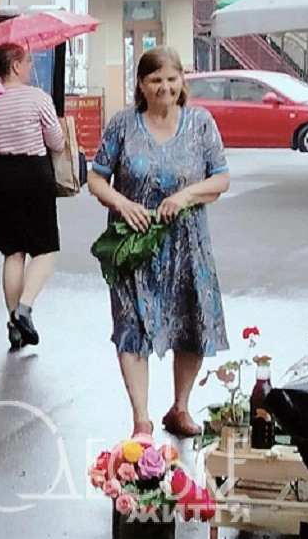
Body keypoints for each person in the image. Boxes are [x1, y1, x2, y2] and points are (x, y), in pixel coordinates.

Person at [87, 46, 230, 439]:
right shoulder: (123, 125)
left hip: (188, 244)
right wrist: (120, 201)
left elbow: (220, 178)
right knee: (132, 326)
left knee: (190, 322)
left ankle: (180, 408)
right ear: (141, 85)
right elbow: (96, 177)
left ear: (182, 81)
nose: (164, 87)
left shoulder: (201, 124)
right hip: (133, 244)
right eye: (155, 80)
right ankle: (142, 420)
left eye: (171, 79)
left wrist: (185, 196)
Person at [0, 43, 64, 351]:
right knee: (45, 250)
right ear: (14, 65)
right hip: (33, 174)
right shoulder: (38, 98)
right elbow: (56, 140)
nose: (30, 67)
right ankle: (24, 308)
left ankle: (13, 326)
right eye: (27, 61)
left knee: (13, 252)